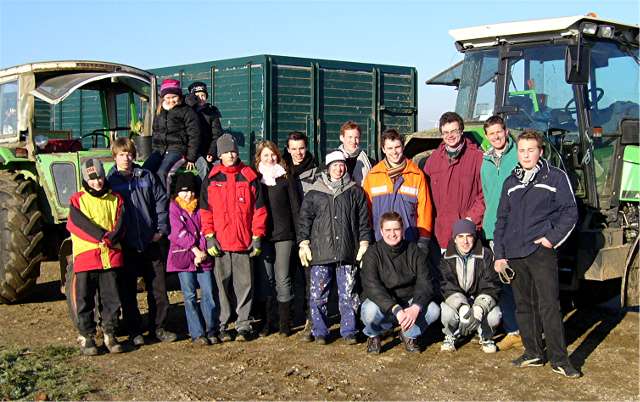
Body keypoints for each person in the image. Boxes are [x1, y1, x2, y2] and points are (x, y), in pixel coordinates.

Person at [494, 130, 580, 378]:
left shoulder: (554, 177)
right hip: (515, 253)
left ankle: (559, 360)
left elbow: (570, 212)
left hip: (540, 251)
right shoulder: (511, 182)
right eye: (522, 150)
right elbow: (501, 220)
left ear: (540, 152)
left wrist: (551, 239)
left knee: (549, 306)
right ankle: (533, 352)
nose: (526, 154)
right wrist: (500, 254)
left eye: (531, 150)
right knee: (523, 306)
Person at [107, 137, 176, 345]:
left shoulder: (146, 176)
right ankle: (134, 331)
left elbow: (161, 203)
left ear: (134, 156)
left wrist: (160, 230)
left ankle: (159, 328)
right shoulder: (111, 182)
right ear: (115, 157)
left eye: (129, 154)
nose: (126, 158)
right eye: (121, 155)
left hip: (150, 240)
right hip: (127, 244)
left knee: (158, 289)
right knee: (127, 291)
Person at [297, 150, 371, 344]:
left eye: (342, 165)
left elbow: (363, 220)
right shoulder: (314, 192)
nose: (339, 169)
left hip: (347, 251)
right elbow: (304, 220)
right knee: (318, 294)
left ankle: (349, 331)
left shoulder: (355, 191)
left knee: (348, 294)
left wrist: (364, 242)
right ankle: (320, 331)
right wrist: (303, 242)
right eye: (335, 165)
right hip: (321, 252)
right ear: (328, 168)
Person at [200, 134, 267, 342]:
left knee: (244, 285)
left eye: (233, 151)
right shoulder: (211, 178)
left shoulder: (249, 176)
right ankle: (222, 324)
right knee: (222, 286)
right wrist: (209, 237)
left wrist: (257, 236)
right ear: (220, 154)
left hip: (243, 242)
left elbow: (260, 210)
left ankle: (243, 324)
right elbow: (205, 211)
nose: (230, 155)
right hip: (220, 243)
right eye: (226, 152)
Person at [66, 159, 126, 355]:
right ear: (85, 179)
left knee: (111, 298)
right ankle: (87, 336)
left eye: (99, 177)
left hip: (110, 255)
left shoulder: (116, 198)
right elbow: (76, 224)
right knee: (85, 299)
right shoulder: (77, 200)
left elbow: (120, 223)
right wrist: (100, 236)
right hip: (87, 256)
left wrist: (110, 238)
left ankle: (110, 333)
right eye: (92, 179)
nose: (97, 182)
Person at [360, 212, 440, 354]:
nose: (392, 234)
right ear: (381, 231)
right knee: (368, 311)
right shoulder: (372, 253)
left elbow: (425, 282)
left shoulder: (414, 250)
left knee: (433, 310)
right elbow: (372, 286)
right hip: (383, 303)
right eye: (388, 230)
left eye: (396, 229)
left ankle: (409, 334)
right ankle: (374, 335)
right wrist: (395, 309)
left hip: (408, 302)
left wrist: (416, 307)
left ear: (402, 230)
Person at [479, 115, 522, 351]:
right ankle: (513, 330)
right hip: (495, 231)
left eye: (499, 132)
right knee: (504, 279)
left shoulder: (519, 156)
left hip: (517, 229)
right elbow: (487, 195)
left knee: (523, 281)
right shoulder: (485, 161)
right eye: (491, 133)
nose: (495, 136)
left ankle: (530, 330)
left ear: (505, 131)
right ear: (486, 136)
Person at [253, 140, 300, 337]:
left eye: (273, 154)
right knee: (266, 279)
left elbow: (295, 207)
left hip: (284, 235)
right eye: (266, 155)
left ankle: (284, 323)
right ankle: (267, 321)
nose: (270, 158)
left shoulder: (285, 177)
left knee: (282, 278)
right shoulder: (254, 179)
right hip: (263, 236)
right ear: (259, 158)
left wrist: (300, 236)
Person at [167, 173, 218, 346]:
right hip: (184, 256)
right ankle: (197, 333)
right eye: (183, 191)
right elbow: (177, 232)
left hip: (203, 257)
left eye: (190, 191)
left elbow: (206, 228)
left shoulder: (201, 207)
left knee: (209, 293)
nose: (187, 195)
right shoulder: (174, 208)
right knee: (189, 296)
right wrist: (195, 250)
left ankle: (211, 329)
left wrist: (202, 251)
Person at [423, 112, 485, 251]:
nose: (450, 136)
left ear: (461, 131)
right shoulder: (433, 160)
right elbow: (424, 194)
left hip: (466, 233)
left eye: (453, 131)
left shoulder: (477, 158)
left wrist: (471, 219)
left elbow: (484, 194)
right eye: (445, 132)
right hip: (441, 233)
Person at [362, 128, 433, 249]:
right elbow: (366, 211)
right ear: (383, 149)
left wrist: (424, 238)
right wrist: (366, 238)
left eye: (397, 147)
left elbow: (425, 209)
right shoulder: (373, 176)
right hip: (380, 241)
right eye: (389, 148)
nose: (394, 152)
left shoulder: (416, 175)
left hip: (409, 241)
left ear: (403, 147)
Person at [439, 219, 502, 354]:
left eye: (469, 236)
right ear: (454, 239)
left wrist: (479, 308)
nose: (465, 241)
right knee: (446, 312)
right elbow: (446, 286)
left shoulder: (486, 255)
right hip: (458, 301)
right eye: (460, 236)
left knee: (495, 315)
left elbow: (491, 284)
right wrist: (462, 307)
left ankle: (486, 336)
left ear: (474, 237)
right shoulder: (446, 257)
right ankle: (450, 335)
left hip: (479, 299)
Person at [282, 131, 319, 341]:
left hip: (308, 233)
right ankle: (288, 317)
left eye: (301, 148)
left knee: (308, 278)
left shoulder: (316, 170)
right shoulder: (281, 170)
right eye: (294, 149)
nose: (298, 153)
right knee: (287, 276)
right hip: (285, 232)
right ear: (288, 149)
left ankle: (310, 318)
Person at [145, 79, 201, 190]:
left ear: (179, 96)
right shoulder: (159, 111)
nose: (171, 100)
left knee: (162, 172)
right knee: (145, 171)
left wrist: (191, 157)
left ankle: (163, 203)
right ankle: (147, 200)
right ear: (163, 98)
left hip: (177, 150)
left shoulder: (186, 111)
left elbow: (194, 135)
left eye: (174, 97)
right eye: (168, 97)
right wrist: (154, 151)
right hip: (159, 150)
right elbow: (155, 131)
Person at [185, 81, 223, 179]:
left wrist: (211, 152)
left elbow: (217, 135)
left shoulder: (212, 113)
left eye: (203, 95)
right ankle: (205, 191)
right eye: (197, 96)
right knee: (203, 166)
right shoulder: (187, 111)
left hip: (208, 149)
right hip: (192, 151)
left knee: (220, 165)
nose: (201, 98)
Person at [338, 121, 375, 186]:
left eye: (356, 137)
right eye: (350, 137)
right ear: (342, 138)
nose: (353, 141)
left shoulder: (370, 162)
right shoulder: (332, 161)